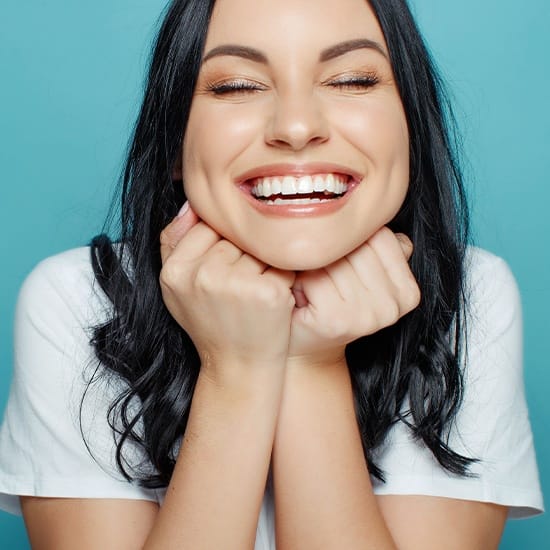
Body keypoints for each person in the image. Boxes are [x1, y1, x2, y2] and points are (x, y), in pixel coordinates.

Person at [0, 0, 543, 548]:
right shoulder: (79, 299)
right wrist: (234, 370)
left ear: (410, 128)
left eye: (352, 79)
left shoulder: (469, 293)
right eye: (236, 87)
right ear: (173, 142)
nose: (297, 127)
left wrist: (312, 362)